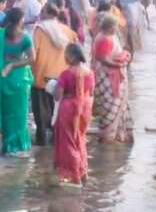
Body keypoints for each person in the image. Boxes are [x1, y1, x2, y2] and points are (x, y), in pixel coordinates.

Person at [0, 8, 35, 157]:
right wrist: (14, 64)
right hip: (17, 80)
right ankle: (19, 146)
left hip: (6, 78)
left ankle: (9, 147)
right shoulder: (25, 37)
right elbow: (32, 59)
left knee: (8, 114)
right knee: (19, 115)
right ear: (21, 21)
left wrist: (10, 65)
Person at [32, 3, 79, 146]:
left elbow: (33, 54)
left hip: (41, 76)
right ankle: (58, 141)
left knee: (41, 113)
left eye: (42, 11)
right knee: (58, 111)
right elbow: (76, 53)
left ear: (46, 13)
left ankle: (42, 141)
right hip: (62, 77)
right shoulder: (68, 31)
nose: (40, 14)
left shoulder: (39, 30)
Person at [53, 43, 95, 187]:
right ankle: (83, 173)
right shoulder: (90, 73)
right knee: (80, 138)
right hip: (85, 108)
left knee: (68, 142)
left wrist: (54, 86)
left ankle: (74, 177)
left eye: (66, 54)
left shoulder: (66, 74)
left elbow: (57, 96)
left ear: (72, 56)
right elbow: (91, 92)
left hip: (69, 109)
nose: (64, 57)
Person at [91, 14, 133, 143]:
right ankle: (108, 137)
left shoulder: (106, 36)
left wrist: (123, 57)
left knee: (111, 105)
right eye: (115, 26)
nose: (117, 28)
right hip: (107, 77)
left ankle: (113, 136)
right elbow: (103, 58)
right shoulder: (105, 39)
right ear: (109, 26)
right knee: (111, 105)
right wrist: (118, 64)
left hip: (107, 75)